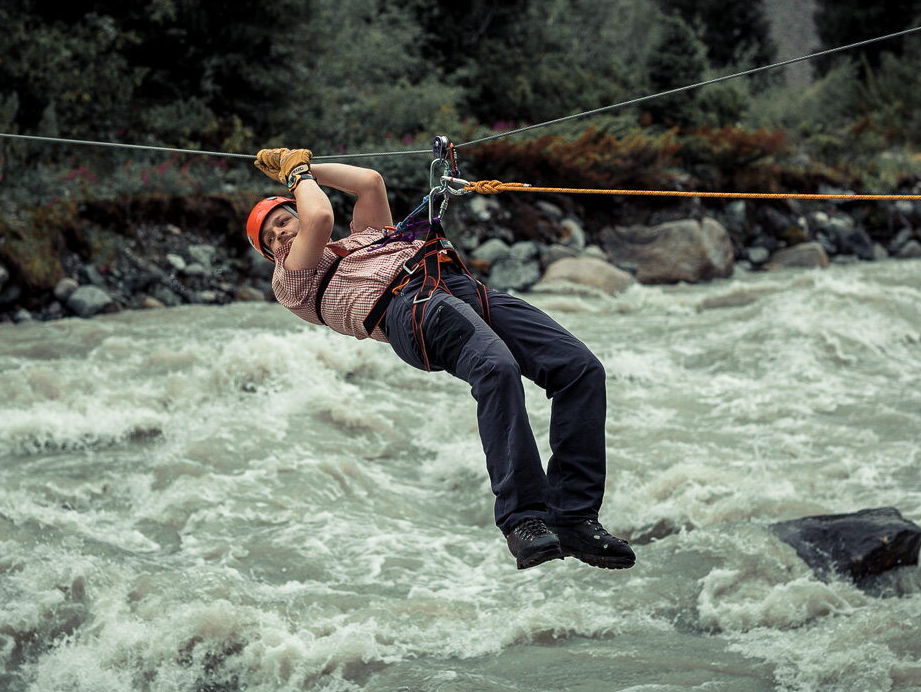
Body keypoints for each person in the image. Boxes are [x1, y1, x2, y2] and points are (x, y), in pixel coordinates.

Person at [247, 147, 635, 571]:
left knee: (579, 369)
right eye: (268, 239)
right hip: (411, 308)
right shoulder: (292, 278)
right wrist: (296, 175)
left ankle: (575, 517)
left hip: (459, 288)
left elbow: (369, 182)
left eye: (283, 222)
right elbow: (319, 217)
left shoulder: (363, 237)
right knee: (496, 368)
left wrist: (302, 166)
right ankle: (523, 520)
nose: (279, 235)